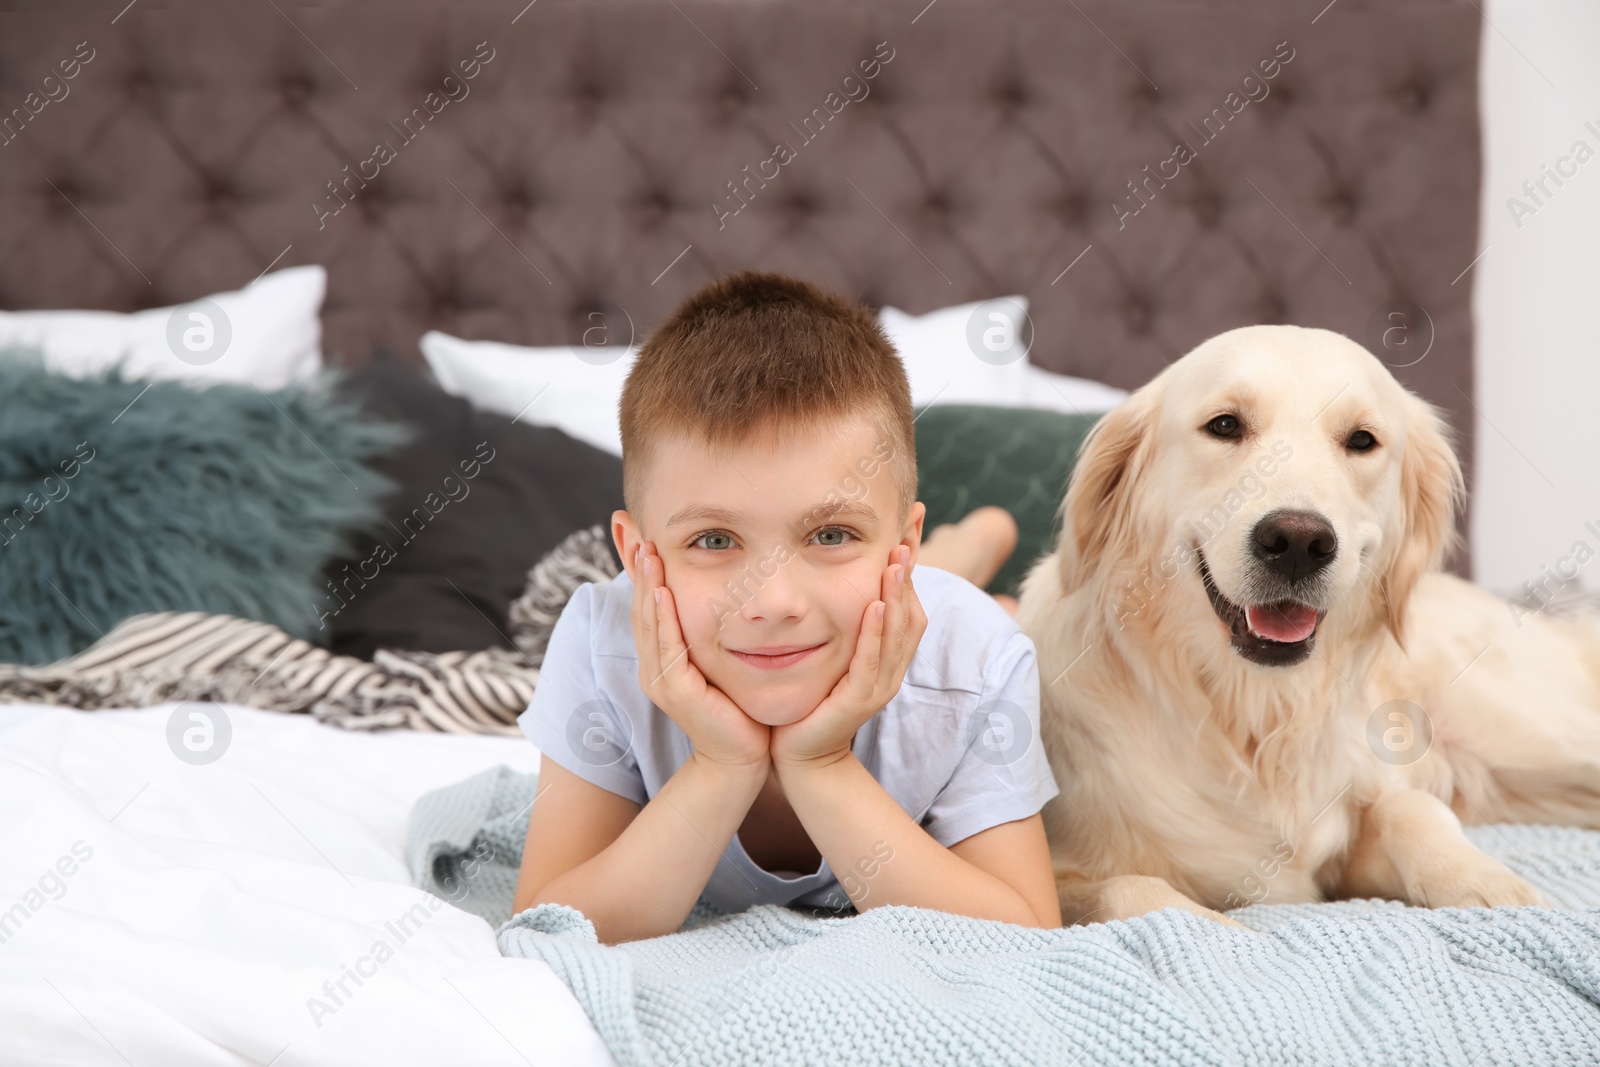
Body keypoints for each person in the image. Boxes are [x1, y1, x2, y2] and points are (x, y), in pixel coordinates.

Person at [512, 272, 1060, 944]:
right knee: (855, 604)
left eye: (831, 533)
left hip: (928, 604)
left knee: (956, 604)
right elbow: (546, 922)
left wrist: (821, 763)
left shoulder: (977, 654)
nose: (772, 601)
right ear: (636, 555)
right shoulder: (602, 641)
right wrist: (721, 764)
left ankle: (973, 542)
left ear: (902, 544)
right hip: (869, 606)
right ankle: (962, 547)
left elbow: (1028, 932)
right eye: (714, 539)